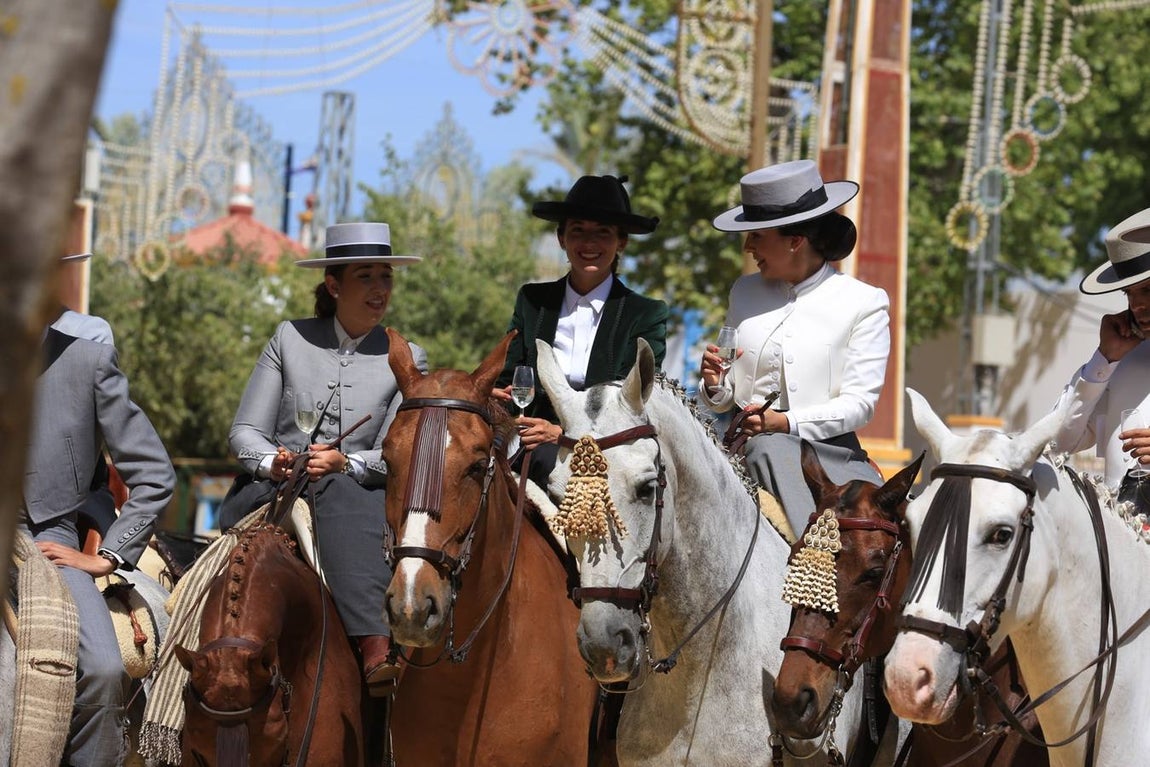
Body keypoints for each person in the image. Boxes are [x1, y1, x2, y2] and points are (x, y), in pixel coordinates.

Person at [219, 221, 426, 695]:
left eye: (386, 277)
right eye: (366, 277)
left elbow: (399, 453)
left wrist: (346, 464)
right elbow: (245, 431)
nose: (379, 289)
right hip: (273, 491)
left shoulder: (409, 356)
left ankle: (376, 641)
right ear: (334, 285)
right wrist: (275, 461)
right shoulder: (288, 338)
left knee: (335, 484)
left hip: (357, 497)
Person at [698, 159, 891, 533]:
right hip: (741, 451)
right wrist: (714, 384)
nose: (748, 245)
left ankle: (812, 558)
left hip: (832, 457)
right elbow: (727, 397)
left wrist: (785, 423)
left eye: (757, 235)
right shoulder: (744, 291)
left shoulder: (864, 302)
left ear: (795, 240)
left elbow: (860, 405)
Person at [23, 324, 176, 766]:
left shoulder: (87, 361)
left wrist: (107, 556)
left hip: (47, 536)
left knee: (105, 668)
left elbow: (154, 473)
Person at [495, 174, 669, 486]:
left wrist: (562, 435)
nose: (589, 243)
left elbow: (633, 401)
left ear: (622, 241)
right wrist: (496, 398)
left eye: (603, 233)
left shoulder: (646, 314)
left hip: (604, 449)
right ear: (561, 238)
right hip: (525, 440)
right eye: (578, 231)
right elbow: (511, 381)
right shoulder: (532, 301)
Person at [1053, 205, 1150, 513]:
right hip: (1121, 555)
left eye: (1147, 290)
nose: (1137, 306)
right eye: (1129, 294)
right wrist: (1104, 359)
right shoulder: (1120, 362)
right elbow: (1057, 444)